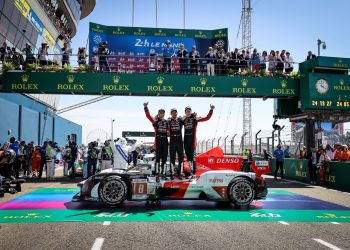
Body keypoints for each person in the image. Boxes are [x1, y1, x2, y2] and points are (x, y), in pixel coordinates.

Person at [183, 104, 215, 177]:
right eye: (186, 111)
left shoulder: (195, 118)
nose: (188, 112)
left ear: (191, 112)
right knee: (188, 157)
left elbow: (207, 118)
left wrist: (211, 110)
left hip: (192, 140)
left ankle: (193, 172)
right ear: (185, 112)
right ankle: (191, 170)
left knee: (192, 157)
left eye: (189, 111)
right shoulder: (183, 119)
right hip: (185, 140)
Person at [144, 102, 169, 181]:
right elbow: (148, 116)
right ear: (158, 114)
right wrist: (146, 107)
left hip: (165, 141)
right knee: (157, 159)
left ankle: (163, 173)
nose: (161, 114)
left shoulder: (167, 122)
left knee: (164, 159)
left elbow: (172, 129)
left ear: (164, 114)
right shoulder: (155, 121)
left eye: (163, 113)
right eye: (160, 113)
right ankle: (157, 174)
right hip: (158, 140)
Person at [168, 108, 184, 179]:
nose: (174, 113)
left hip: (180, 141)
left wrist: (193, 114)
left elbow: (187, 117)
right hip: (172, 141)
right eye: (173, 112)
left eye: (175, 112)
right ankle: (172, 173)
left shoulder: (180, 120)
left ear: (177, 113)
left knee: (181, 158)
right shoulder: (169, 121)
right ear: (171, 114)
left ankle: (180, 173)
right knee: (172, 158)